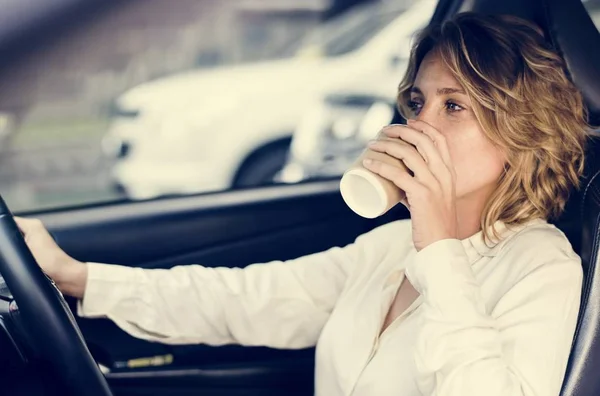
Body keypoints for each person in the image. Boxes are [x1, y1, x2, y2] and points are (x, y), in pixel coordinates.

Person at [16, 12, 588, 396]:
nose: (418, 125)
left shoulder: (541, 265)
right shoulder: (388, 250)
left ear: (522, 134)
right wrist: (78, 276)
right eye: (417, 103)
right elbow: (242, 299)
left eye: (453, 106)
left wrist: (439, 245)